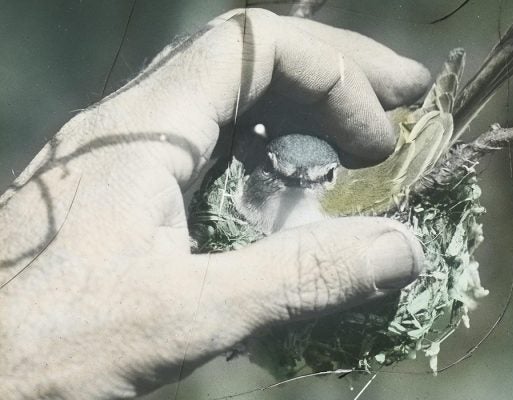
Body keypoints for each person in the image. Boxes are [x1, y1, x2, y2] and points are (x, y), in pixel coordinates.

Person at [0, 9, 431, 399]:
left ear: (334, 177)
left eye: (320, 179)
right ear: (262, 167)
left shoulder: (351, 201)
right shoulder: (240, 203)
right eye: (278, 172)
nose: (297, 185)